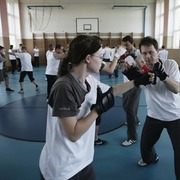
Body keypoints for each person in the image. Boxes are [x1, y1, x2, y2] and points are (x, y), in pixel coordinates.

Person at [39, 34, 154, 180]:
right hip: (62, 168)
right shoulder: (64, 86)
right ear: (88, 58)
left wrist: (137, 81)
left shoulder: (89, 80)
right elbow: (73, 134)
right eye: (100, 57)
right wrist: (97, 110)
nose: (102, 61)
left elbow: (113, 91)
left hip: (83, 161)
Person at [135, 36, 180, 180]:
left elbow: (176, 89)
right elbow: (140, 86)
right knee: (145, 146)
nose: (148, 56)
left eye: (151, 52)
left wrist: (164, 76)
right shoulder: (143, 70)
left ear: (158, 51)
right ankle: (151, 159)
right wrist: (135, 79)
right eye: (144, 53)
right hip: (154, 115)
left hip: (175, 115)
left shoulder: (170, 64)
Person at [120, 35, 145, 146]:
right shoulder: (125, 55)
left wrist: (135, 59)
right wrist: (124, 66)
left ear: (132, 43)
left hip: (137, 84)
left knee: (130, 108)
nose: (126, 47)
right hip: (127, 83)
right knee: (125, 105)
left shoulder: (139, 53)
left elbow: (144, 68)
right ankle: (136, 120)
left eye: (127, 45)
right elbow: (122, 67)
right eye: (124, 45)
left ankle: (132, 137)